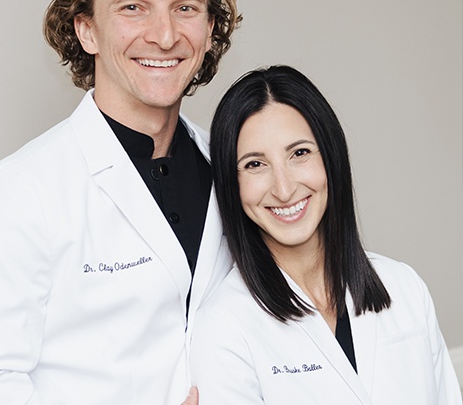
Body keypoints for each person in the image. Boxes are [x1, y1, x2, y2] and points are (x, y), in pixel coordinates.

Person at [0, 0, 241, 404]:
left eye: (185, 8)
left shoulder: (235, 169)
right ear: (87, 29)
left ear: (208, 28)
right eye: (133, 7)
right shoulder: (20, 190)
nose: (164, 35)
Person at [190, 65, 461, 404]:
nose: (284, 188)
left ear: (330, 157)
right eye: (255, 164)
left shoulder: (405, 289)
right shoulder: (223, 328)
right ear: (232, 183)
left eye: (299, 153)